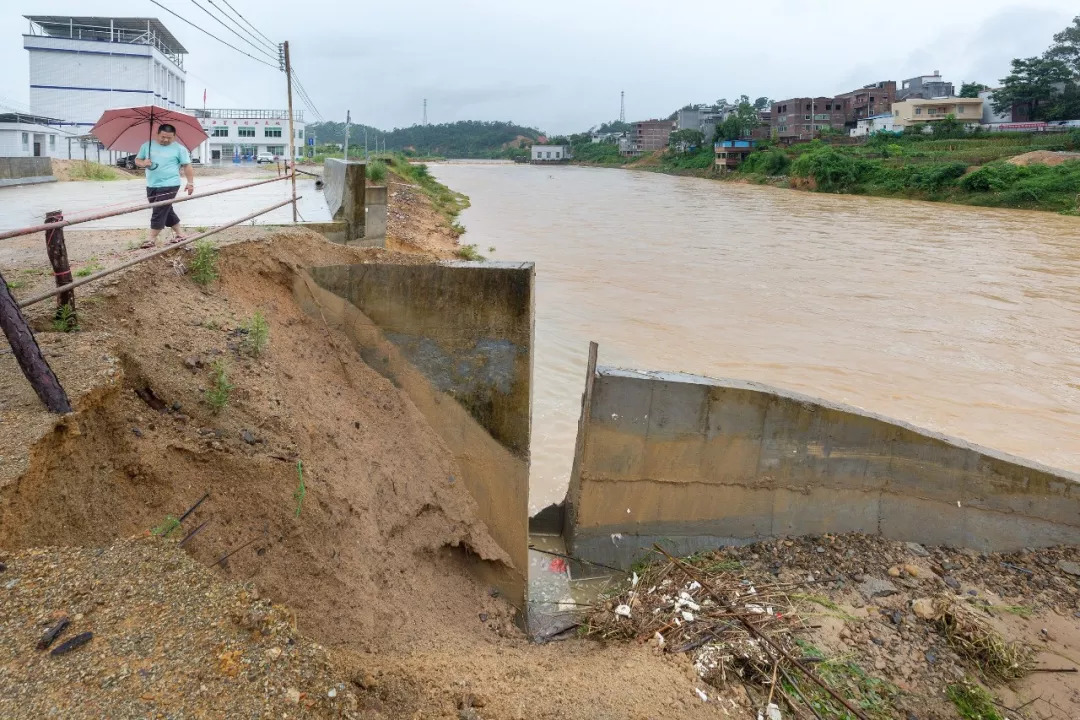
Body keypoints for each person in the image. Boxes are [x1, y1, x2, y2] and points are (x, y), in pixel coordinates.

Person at [134, 123, 194, 248]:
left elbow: (187, 166)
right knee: (167, 209)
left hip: (170, 184)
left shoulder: (179, 149)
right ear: (157, 134)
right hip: (152, 184)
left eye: (169, 137)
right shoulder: (147, 146)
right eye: (163, 137)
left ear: (174, 137)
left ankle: (151, 239)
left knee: (159, 209)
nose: (165, 140)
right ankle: (180, 234)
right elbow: (137, 160)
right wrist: (143, 163)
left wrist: (190, 183)